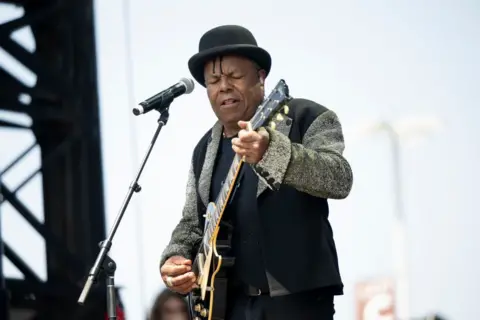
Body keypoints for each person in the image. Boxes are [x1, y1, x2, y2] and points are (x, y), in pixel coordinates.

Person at [159, 25, 353, 320]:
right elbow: (191, 224)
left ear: (261, 77)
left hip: (297, 301)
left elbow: (339, 178)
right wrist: (177, 258)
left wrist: (272, 153)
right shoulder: (204, 150)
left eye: (235, 76)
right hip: (228, 306)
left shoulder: (304, 117)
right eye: (213, 80)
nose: (223, 86)